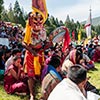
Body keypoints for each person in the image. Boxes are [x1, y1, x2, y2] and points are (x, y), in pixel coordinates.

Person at [22, 0, 48, 100]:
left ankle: (42, 91)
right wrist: (33, 52)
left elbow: (43, 45)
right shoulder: (28, 29)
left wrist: (48, 45)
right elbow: (23, 43)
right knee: (30, 75)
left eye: (40, 19)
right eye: (35, 19)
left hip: (40, 54)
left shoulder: (43, 31)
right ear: (31, 20)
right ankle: (32, 94)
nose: (37, 21)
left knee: (42, 72)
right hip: (30, 54)